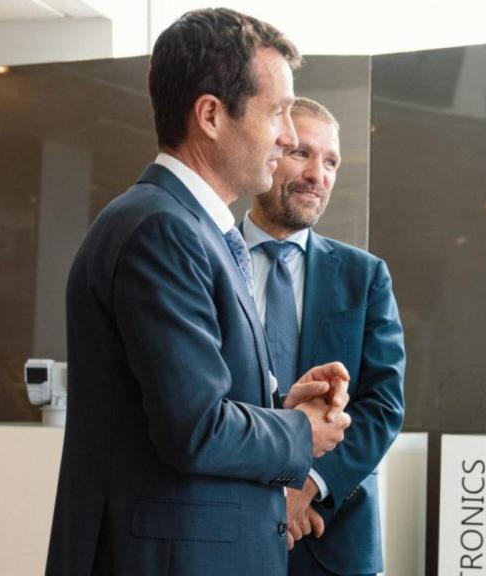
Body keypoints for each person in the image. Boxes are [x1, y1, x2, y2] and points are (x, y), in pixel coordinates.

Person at [46, 9, 352, 576]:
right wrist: (301, 431)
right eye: (278, 112)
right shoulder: (162, 229)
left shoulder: (191, 228)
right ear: (211, 115)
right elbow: (194, 429)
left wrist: (278, 408)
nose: (288, 135)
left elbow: (183, 406)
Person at [241, 97, 406, 576]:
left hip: (333, 535)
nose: (318, 174)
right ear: (267, 154)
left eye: (331, 161)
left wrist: (307, 487)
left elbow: (383, 404)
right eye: (302, 154)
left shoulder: (364, 275)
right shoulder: (209, 259)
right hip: (230, 527)